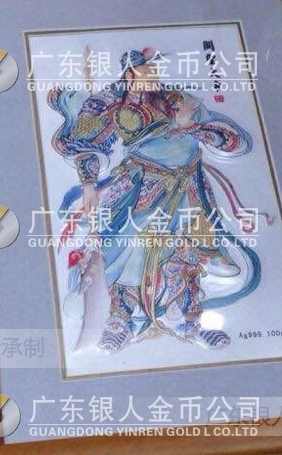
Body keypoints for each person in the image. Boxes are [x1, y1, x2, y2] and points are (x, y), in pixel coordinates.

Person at [49, 47, 261, 354]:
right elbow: (86, 143)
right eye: (147, 69)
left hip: (189, 185)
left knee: (188, 250)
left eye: (154, 69)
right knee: (130, 248)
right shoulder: (110, 102)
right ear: (130, 73)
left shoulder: (175, 99)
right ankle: (119, 322)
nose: (154, 74)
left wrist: (194, 127)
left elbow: (227, 137)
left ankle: (190, 322)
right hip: (143, 185)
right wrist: (88, 184)